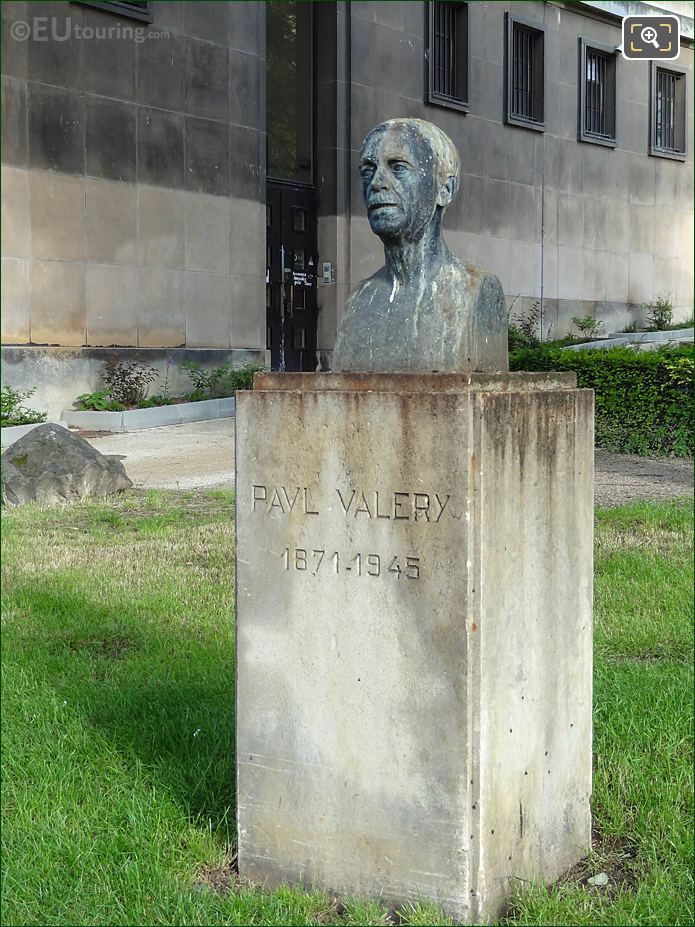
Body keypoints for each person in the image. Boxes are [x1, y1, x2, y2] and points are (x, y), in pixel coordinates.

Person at [332, 118, 509, 373]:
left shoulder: (476, 290)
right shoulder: (360, 299)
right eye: (368, 170)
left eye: (398, 167)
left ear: (445, 189)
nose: (377, 183)